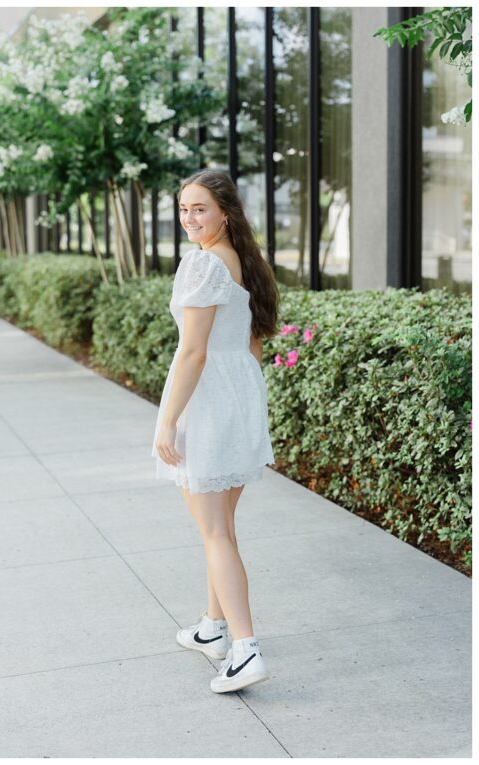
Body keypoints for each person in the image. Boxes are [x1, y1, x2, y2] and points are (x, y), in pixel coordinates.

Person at [150, 169, 278, 693]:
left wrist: (168, 419)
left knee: (215, 531)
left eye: (199, 208)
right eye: (183, 209)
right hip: (236, 396)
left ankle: (246, 651)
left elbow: (194, 351)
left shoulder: (203, 265)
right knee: (219, 526)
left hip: (207, 401)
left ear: (225, 212)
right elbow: (251, 347)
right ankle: (213, 627)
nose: (189, 219)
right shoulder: (243, 262)